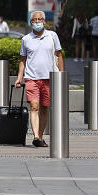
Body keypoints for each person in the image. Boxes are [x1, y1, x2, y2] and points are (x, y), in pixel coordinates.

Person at [14, 10, 63, 148]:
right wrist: (19, 77)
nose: (37, 22)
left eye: (40, 19)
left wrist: (62, 76)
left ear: (44, 21)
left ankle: (40, 137)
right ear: (31, 23)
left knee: (45, 108)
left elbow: (59, 55)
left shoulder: (52, 36)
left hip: (49, 78)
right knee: (34, 106)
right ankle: (35, 135)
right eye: (34, 20)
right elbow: (23, 60)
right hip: (31, 78)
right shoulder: (26, 39)